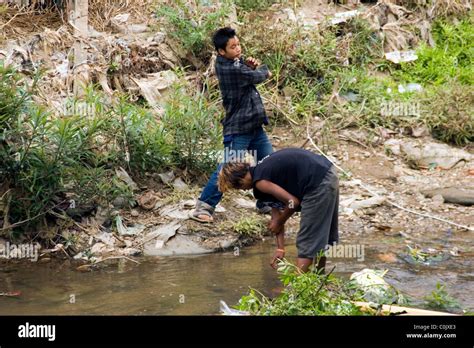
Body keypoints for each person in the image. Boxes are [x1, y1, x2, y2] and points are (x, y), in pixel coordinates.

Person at [192, 27, 275, 223]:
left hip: (254, 127)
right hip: (238, 129)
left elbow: (246, 70)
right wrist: (261, 69)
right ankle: (204, 206)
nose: (238, 49)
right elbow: (261, 76)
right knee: (228, 167)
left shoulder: (235, 63)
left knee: (269, 162)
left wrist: (248, 64)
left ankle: (264, 201)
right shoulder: (229, 68)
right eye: (233, 47)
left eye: (238, 44)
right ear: (221, 52)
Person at [217, 148, 339, 273]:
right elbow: (276, 214)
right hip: (328, 172)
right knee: (321, 236)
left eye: (239, 186)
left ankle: (299, 289)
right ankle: (319, 280)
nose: (242, 190)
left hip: (317, 182)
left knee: (307, 241)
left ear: (242, 178)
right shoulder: (261, 174)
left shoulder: (261, 182)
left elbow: (292, 203)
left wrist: (280, 222)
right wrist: (280, 248)